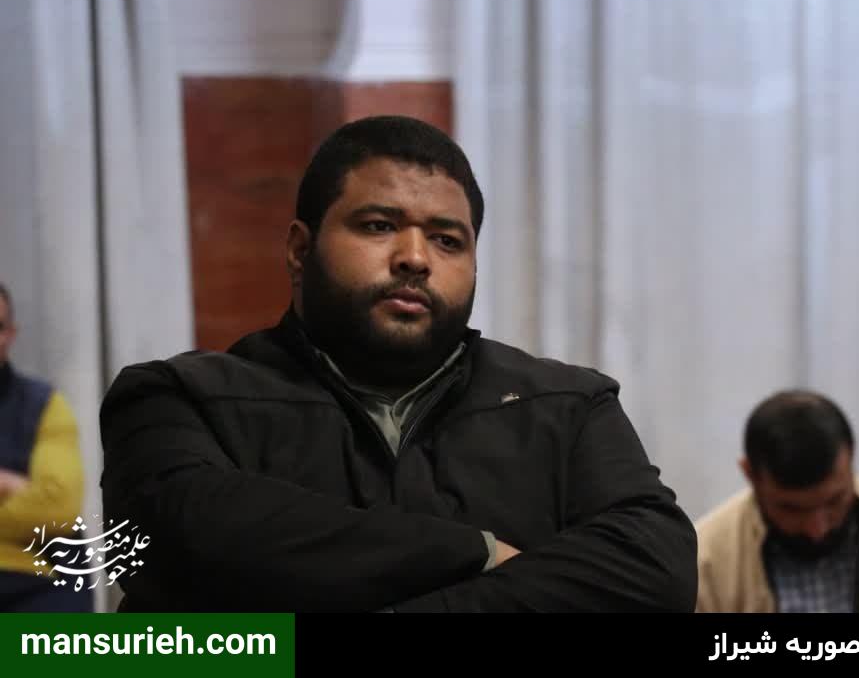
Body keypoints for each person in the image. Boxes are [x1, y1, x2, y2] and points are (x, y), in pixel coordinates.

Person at [99, 115, 697, 612]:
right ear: (300, 250)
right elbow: (180, 535)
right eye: (379, 226)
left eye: (447, 240)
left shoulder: (565, 406)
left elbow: (654, 570)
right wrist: (478, 552)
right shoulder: (183, 397)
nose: (414, 258)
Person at [695, 390, 859, 612]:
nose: (817, 530)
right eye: (792, 509)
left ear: (851, 457)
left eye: (834, 501)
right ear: (750, 473)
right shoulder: (704, 565)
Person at [0, 283, 90, 611]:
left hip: (33, 577)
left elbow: (58, 507)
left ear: (11, 334)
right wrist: (13, 486)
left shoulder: (42, 404)